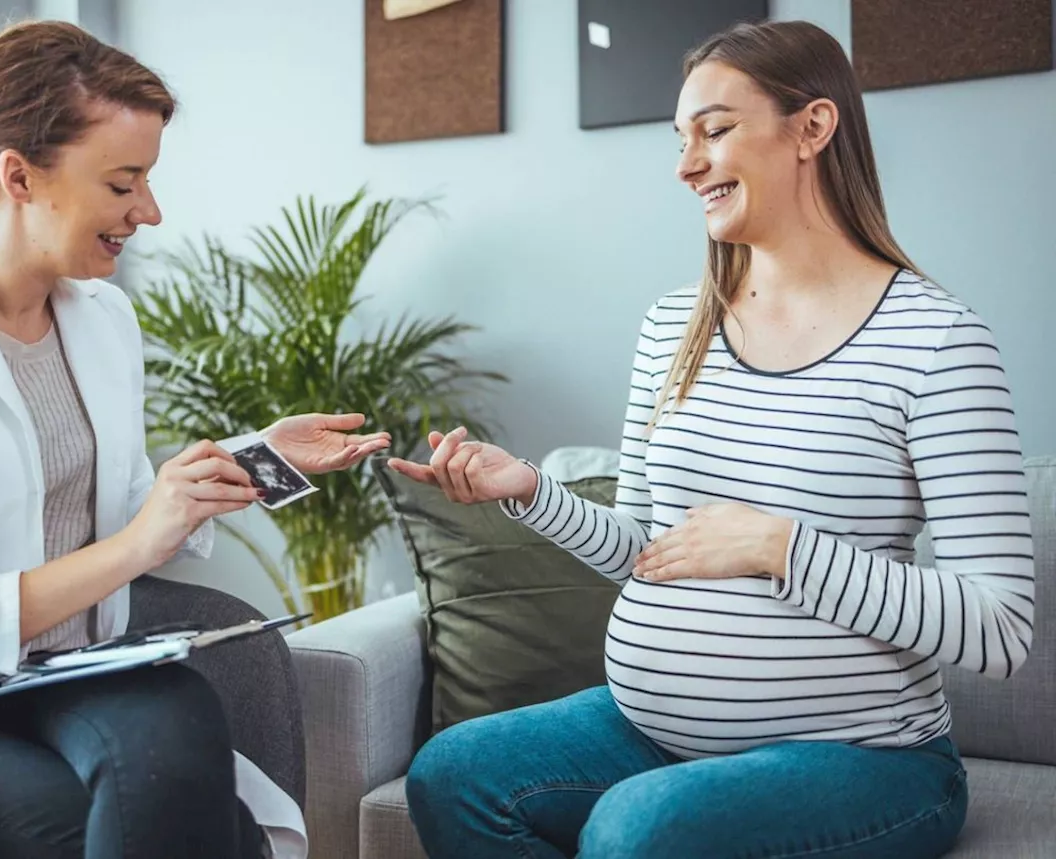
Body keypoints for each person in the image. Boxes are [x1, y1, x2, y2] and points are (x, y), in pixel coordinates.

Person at [388, 19, 1034, 859]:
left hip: (871, 760)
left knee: (638, 827)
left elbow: (1001, 625)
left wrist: (780, 547)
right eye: (681, 137)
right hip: (652, 732)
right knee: (455, 771)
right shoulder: (674, 328)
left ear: (813, 128)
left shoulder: (937, 341)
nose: (686, 163)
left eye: (715, 130)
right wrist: (530, 492)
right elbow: (649, 552)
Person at [0, 20, 390, 859]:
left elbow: (107, 510)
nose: (150, 210)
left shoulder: (102, 317)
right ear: (20, 176)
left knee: (181, 735)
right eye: (124, 182)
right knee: (104, 828)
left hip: (65, 665)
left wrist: (259, 458)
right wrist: (142, 538)